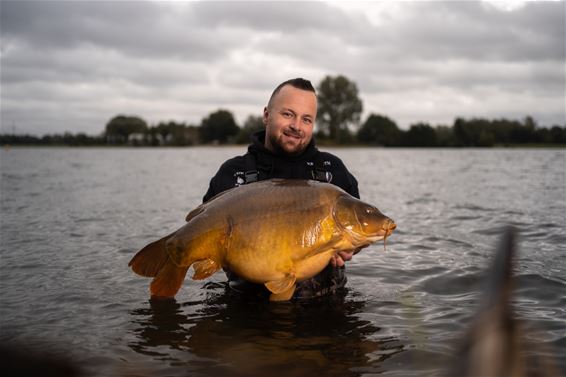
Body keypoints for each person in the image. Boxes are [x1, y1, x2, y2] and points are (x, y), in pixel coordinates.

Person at [203, 77, 360, 299]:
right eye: (288, 114)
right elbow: (202, 236)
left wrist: (350, 249)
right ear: (267, 115)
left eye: (306, 119)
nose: (296, 126)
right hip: (248, 306)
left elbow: (360, 230)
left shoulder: (333, 170)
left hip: (323, 304)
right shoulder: (233, 172)